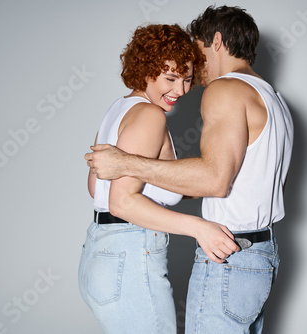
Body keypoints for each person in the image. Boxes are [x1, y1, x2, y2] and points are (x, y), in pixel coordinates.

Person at [85, 5, 294, 334]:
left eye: (195, 57)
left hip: (227, 256)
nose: (191, 78)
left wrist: (125, 164)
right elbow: (252, 184)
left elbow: (214, 179)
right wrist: (191, 216)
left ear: (217, 41)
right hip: (262, 254)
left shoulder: (225, 90)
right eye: (175, 76)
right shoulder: (275, 100)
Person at [78, 23, 240, 334]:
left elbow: (95, 188)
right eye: (170, 78)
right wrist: (200, 229)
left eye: (188, 79)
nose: (180, 90)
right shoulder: (149, 116)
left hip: (99, 256)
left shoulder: (118, 109)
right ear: (144, 70)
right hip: (130, 259)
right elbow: (122, 202)